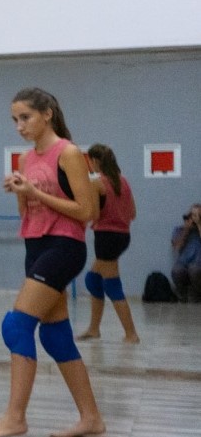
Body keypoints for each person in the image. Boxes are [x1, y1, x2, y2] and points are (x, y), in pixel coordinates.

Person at [0, 88, 104, 437]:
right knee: (54, 335)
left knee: (16, 326)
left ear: (47, 114)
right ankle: (91, 417)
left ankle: (15, 418)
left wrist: (36, 192)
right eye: (15, 120)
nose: (19, 126)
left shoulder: (69, 153)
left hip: (64, 246)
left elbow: (87, 211)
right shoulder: (25, 159)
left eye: (25, 117)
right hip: (35, 245)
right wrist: (21, 192)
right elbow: (29, 212)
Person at [79, 144, 138, 342]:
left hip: (106, 238)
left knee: (112, 285)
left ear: (95, 161)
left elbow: (94, 214)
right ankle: (94, 329)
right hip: (122, 236)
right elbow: (133, 213)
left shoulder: (97, 183)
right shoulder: (123, 181)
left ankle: (131, 334)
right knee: (93, 279)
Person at [172, 204, 201, 303]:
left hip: (198, 263)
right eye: (191, 215)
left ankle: (197, 295)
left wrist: (199, 225)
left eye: (196, 215)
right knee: (177, 270)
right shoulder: (179, 229)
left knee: (194, 270)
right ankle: (182, 296)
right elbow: (176, 246)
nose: (193, 218)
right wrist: (186, 229)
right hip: (183, 263)